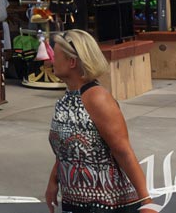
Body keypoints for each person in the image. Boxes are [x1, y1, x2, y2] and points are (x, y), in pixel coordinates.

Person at [45, 30, 157, 213]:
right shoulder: (65, 101)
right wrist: (53, 182)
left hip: (107, 203)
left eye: (55, 56)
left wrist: (146, 201)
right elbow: (67, 150)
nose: (51, 61)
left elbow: (122, 150)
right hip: (74, 203)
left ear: (72, 62)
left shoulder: (97, 98)